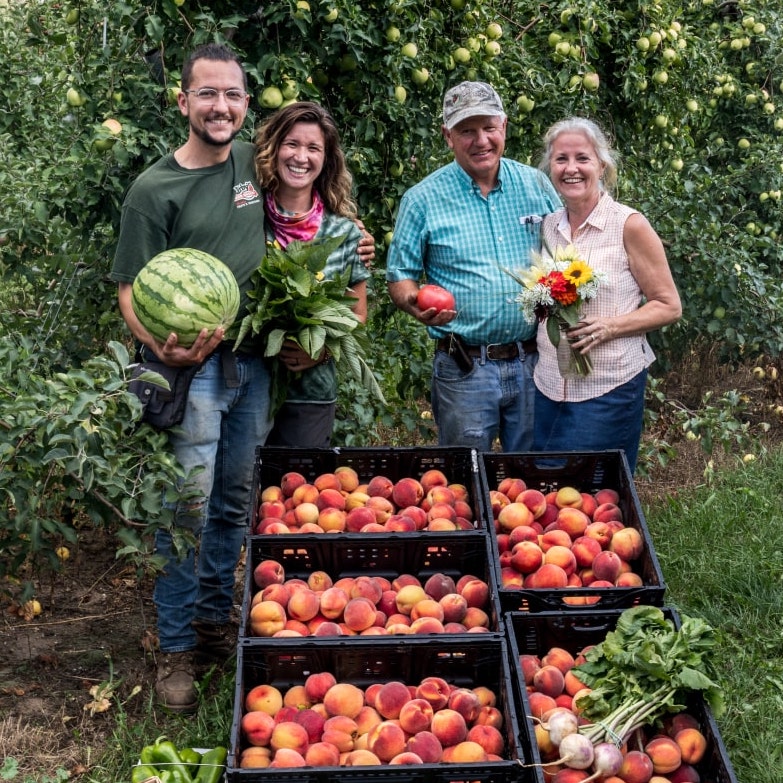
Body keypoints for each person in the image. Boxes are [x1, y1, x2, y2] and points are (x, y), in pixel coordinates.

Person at [111, 45, 373, 712]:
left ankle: (212, 625)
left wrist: (354, 240)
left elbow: (305, 202)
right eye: (207, 94)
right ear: (183, 101)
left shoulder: (253, 170)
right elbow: (128, 289)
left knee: (232, 502)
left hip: (253, 366)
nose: (220, 106)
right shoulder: (153, 189)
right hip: (190, 371)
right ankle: (174, 646)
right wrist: (160, 347)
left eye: (232, 95)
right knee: (186, 508)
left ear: (244, 106)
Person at [386, 81, 561, 452]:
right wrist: (416, 303)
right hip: (465, 367)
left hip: (534, 360)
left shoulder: (536, 185)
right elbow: (400, 276)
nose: (481, 140)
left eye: (489, 128)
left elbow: (565, 254)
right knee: (463, 481)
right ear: (448, 136)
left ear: (504, 127)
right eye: (467, 131)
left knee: (531, 481)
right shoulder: (423, 199)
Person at [531, 117, 682, 472]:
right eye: (561, 159)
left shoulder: (629, 225)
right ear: (549, 168)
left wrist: (609, 327)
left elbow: (669, 306)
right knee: (550, 493)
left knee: (598, 495)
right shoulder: (549, 226)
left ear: (602, 164)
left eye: (582, 158)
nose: (571, 169)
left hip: (608, 386)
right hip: (550, 384)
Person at [254, 101, 370, 447]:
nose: (300, 157)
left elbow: (357, 315)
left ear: (326, 159)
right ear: (273, 149)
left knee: (297, 492)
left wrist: (318, 351)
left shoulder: (345, 234)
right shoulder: (247, 220)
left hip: (311, 392)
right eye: (291, 144)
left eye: (313, 148)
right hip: (250, 387)